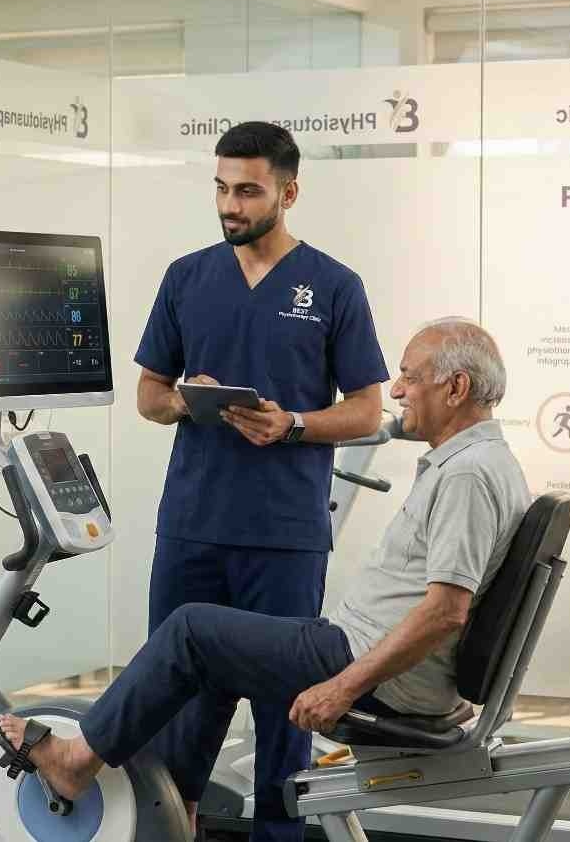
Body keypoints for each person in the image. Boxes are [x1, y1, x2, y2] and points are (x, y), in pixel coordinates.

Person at [0, 320, 531, 839]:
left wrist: (342, 688)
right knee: (214, 659)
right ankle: (179, 808)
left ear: (456, 387)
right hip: (373, 654)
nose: (397, 389)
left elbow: (446, 611)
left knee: (190, 631)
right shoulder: (483, 462)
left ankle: (75, 759)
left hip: (368, 665)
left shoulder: (468, 474)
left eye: (410, 376)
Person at [131, 121, 388, 841]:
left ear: (288, 191)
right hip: (191, 526)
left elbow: (369, 409)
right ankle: (168, 824)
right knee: (174, 698)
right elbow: (150, 396)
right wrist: (188, 399)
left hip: (282, 535)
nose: (230, 205)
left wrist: (295, 426)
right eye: (221, 187)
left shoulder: (335, 286)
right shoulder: (186, 277)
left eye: (247, 190)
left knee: (286, 711)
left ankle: (280, 835)